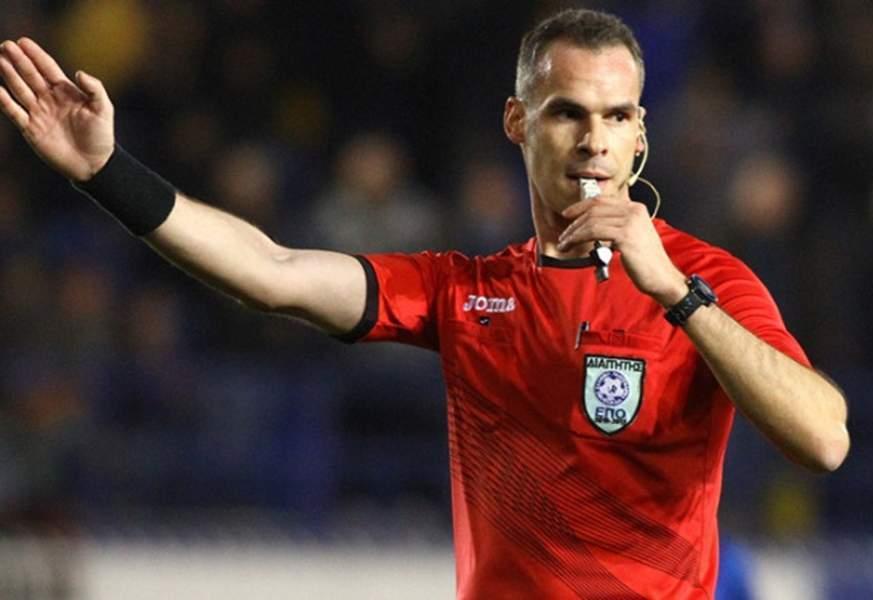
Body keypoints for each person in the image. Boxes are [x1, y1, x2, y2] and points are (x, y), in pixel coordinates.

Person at [0, 8, 850, 599]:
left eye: (615, 115)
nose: (593, 140)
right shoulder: (468, 292)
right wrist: (108, 172)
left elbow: (824, 438)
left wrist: (675, 296)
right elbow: (272, 270)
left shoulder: (704, 279)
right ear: (517, 122)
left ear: (639, 133)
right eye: (566, 113)